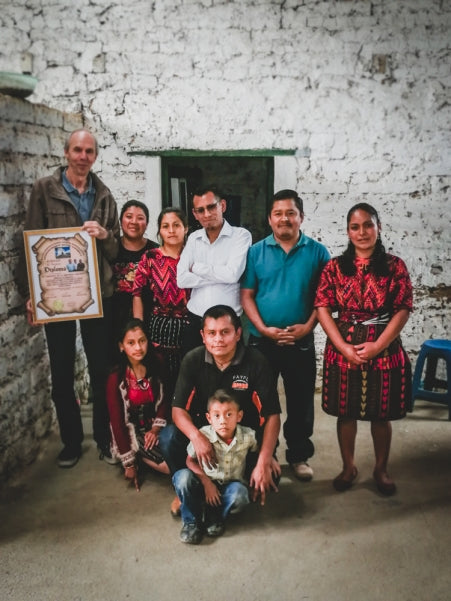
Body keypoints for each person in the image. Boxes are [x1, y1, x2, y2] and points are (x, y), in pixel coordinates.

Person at [19, 128, 120, 468]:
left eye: (89, 151)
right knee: (62, 371)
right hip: (57, 296)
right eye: (77, 150)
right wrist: (33, 293)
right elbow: (31, 242)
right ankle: (71, 442)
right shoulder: (44, 190)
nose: (83, 156)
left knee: (101, 369)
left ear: (95, 156)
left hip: (97, 293)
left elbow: (115, 250)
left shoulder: (104, 195)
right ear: (66, 153)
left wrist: (104, 234)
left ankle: (104, 438)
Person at [314, 202, 413, 495]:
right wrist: (343, 347)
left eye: (368, 225)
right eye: (355, 227)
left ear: (378, 227)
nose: (362, 232)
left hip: (384, 347)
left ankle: (381, 470)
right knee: (346, 412)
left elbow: (403, 308)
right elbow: (322, 307)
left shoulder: (395, 266)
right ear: (348, 232)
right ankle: (349, 467)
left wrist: (379, 345)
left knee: (380, 414)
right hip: (343, 348)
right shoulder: (335, 267)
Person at [159, 304, 281, 523]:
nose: (218, 339)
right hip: (204, 435)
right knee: (168, 437)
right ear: (203, 336)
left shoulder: (256, 362)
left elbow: (272, 415)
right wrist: (197, 437)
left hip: (242, 439)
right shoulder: (193, 360)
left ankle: (230, 491)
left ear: (238, 334)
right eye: (212, 333)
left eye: (225, 332)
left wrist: (264, 459)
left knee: (272, 476)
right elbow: (178, 410)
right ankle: (187, 490)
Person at [241, 189, 330, 481]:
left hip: (299, 339)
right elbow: (247, 295)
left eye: (290, 213)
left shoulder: (318, 253)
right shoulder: (256, 252)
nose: (284, 219)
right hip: (262, 340)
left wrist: (308, 327)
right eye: (278, 213)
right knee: (261, 400)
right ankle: (267, 455)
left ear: (301, 217)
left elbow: (324, 298)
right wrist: (263, 329)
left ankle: (299, 455)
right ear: (269, 219)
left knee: (301, 401)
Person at [173, 389, 258, 544]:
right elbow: (190, 461)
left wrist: (266, 462)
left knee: (240, 494)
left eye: (229, 414)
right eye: (217, 415)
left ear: (239, 416)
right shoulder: (203, 435)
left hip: (229, 485)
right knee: (182, 477)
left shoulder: (249, 437)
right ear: (209, 418)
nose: (223, 421)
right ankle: (191, 522)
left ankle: (215, 514)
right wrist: (207, 483)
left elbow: (256, 456)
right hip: (204, 484)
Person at [177, 185, 251, 353]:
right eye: (200, 210)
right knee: (193, 368)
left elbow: (232, 275)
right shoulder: (193, 238)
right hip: (196, 321)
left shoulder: (241, 236)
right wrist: (220, 276)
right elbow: (181, 280)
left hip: (228, 323)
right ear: (195, 214)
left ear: (222, 205)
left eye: (211, 207)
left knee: (231, 369)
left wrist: (197, 268)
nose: (207, 214)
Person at [106, 318, 170, 491]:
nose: (138, 348)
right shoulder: (116, 377)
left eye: (142, 341)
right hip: (133, 431)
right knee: (168, 467)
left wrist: (155, 429)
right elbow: (117, 422)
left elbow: (165, 399)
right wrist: (128, 463)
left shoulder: (157, 363)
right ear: (121, 346)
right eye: (131, 343)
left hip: (155, 425)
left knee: (178, 452)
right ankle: (138, 457)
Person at [132, 207, 190, 396]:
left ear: (186, 228)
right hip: (159, 327)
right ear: (159, 230)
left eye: (176, 225)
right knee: (161, 381)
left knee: (187, 381)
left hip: (189, 326)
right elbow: (137, 294)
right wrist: (138, 328)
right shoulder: (150, 258)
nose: (171, 231)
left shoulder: (194, 256)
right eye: (165, 226)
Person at [111, 200, 158, 356]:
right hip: (113, 319)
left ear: (147, 223)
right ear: (121, 221)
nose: (134, 222)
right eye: (129, 216)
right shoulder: (111, 249)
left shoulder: (155, 252)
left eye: (140, 218)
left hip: (148, 318)